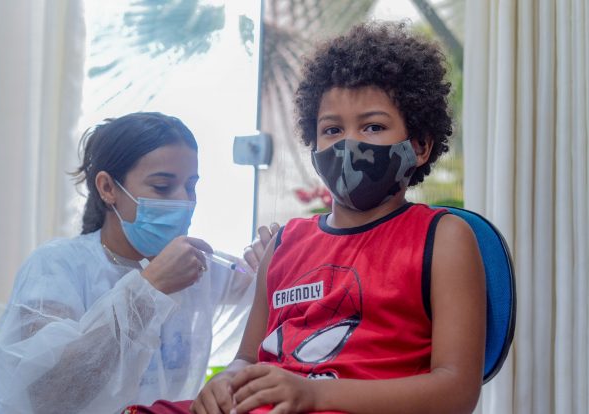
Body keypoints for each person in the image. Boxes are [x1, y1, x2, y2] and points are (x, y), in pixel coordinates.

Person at [191, 22, 486, 414]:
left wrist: (315, 394)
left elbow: (457, 391)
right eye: (332, 129)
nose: (349, 144)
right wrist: (224, 381)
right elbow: (247, 358)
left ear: (419, 146)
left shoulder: (444, 237)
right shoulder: (284, 243)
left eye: (373, 126)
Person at [0, 112, 277, 413]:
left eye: (191, 186)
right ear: (108, 188)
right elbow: (46, 393)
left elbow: (271, 299)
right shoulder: (56, 267)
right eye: (162, 187)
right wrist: (149, 290)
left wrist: (276, 259)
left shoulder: (196, 267)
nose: (184, 201)